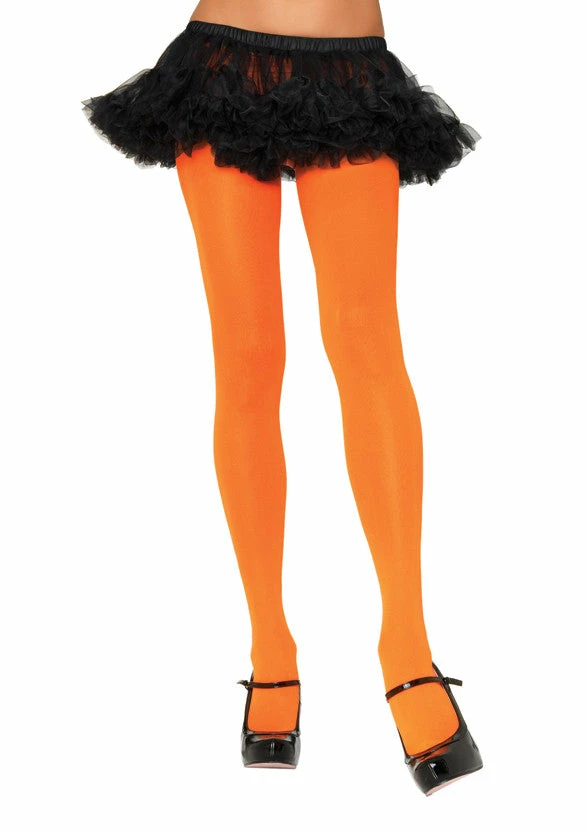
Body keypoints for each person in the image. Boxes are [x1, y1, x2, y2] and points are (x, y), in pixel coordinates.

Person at [81, 0, 483, 794]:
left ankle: (406, 648)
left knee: (366, 342)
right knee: (247, 353)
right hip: (219, 64)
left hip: (350, 65)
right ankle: (271, 647)